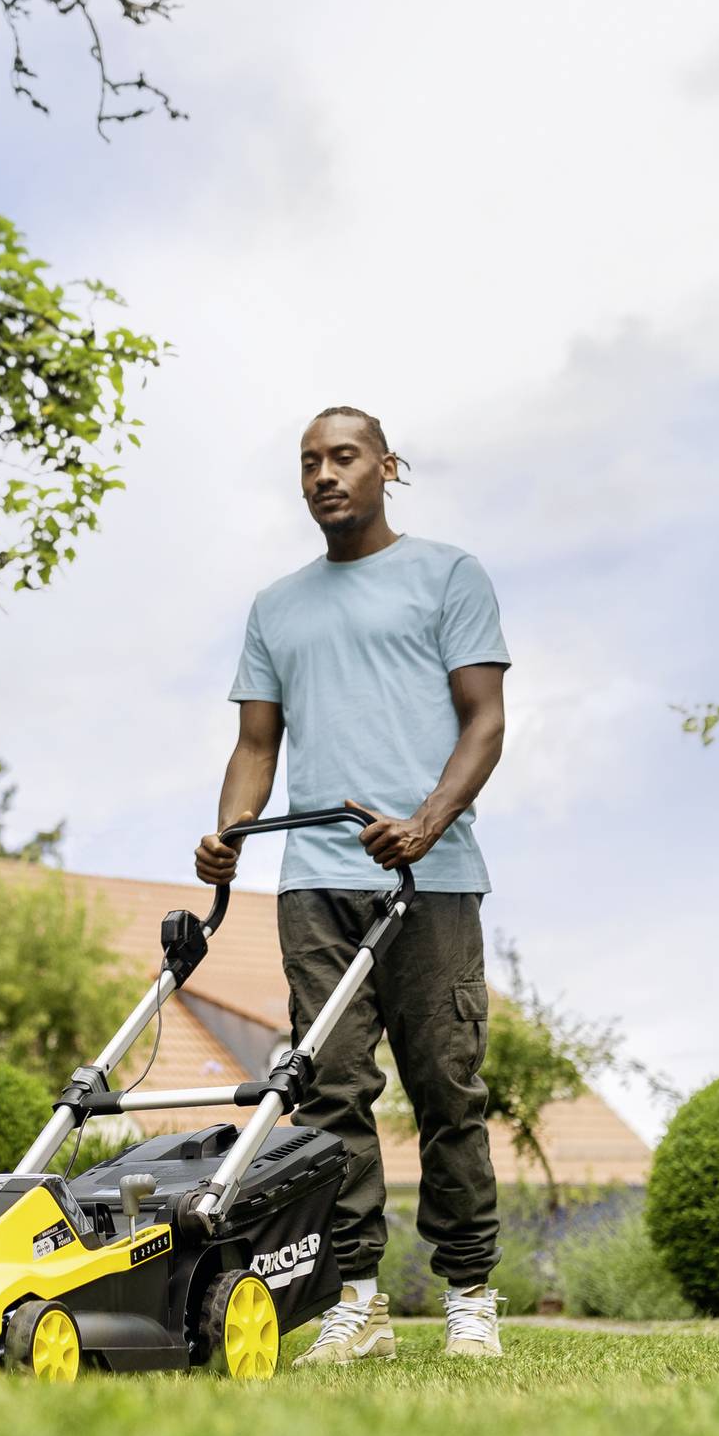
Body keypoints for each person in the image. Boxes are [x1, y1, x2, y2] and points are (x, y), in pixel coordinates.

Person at [195, 406, 511, 1362]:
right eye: (309, 463)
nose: (325, 475)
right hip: (316, 879)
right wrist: (227, 837)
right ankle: (357, 1300)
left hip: (432, 877)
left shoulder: (449, 575)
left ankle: (468, 1294)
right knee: (328, 1092)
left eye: (344, 458)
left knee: (447, 1087)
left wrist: (426, 822)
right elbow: (256, 744)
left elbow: (486, 721)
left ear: (387, 467)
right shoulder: (276, 606)